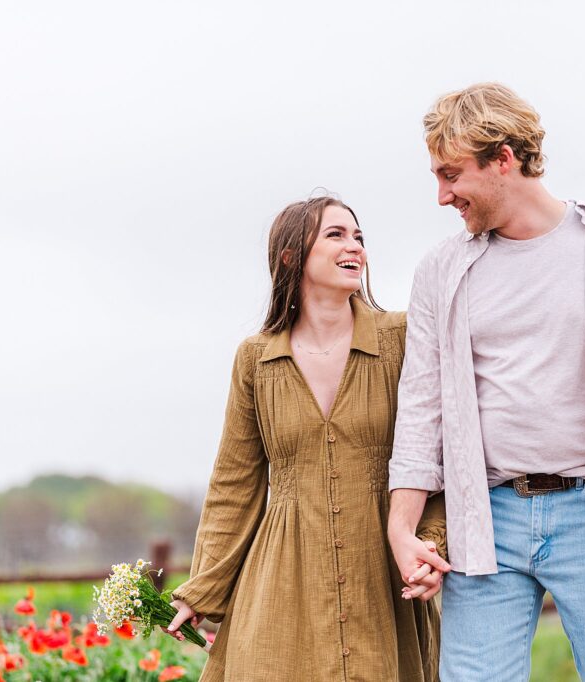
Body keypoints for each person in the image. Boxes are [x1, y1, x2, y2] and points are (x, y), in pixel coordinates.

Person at [386, 83, 585, 681]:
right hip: (485, 518)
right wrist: (401, 527)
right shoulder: (440, 271)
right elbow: (421, 408)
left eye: (450, 174)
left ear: (503, 158)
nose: (441, 195)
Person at [166, 195, 447, 681]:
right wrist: (202, 589)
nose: (354, 246)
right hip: (281, 579)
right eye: (335, 235)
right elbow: (234, 485)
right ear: (291, 256)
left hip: (382, 575)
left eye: (358, 236)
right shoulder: (255, 360)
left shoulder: (402, 338)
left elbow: (438, 452)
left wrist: (430, 542)